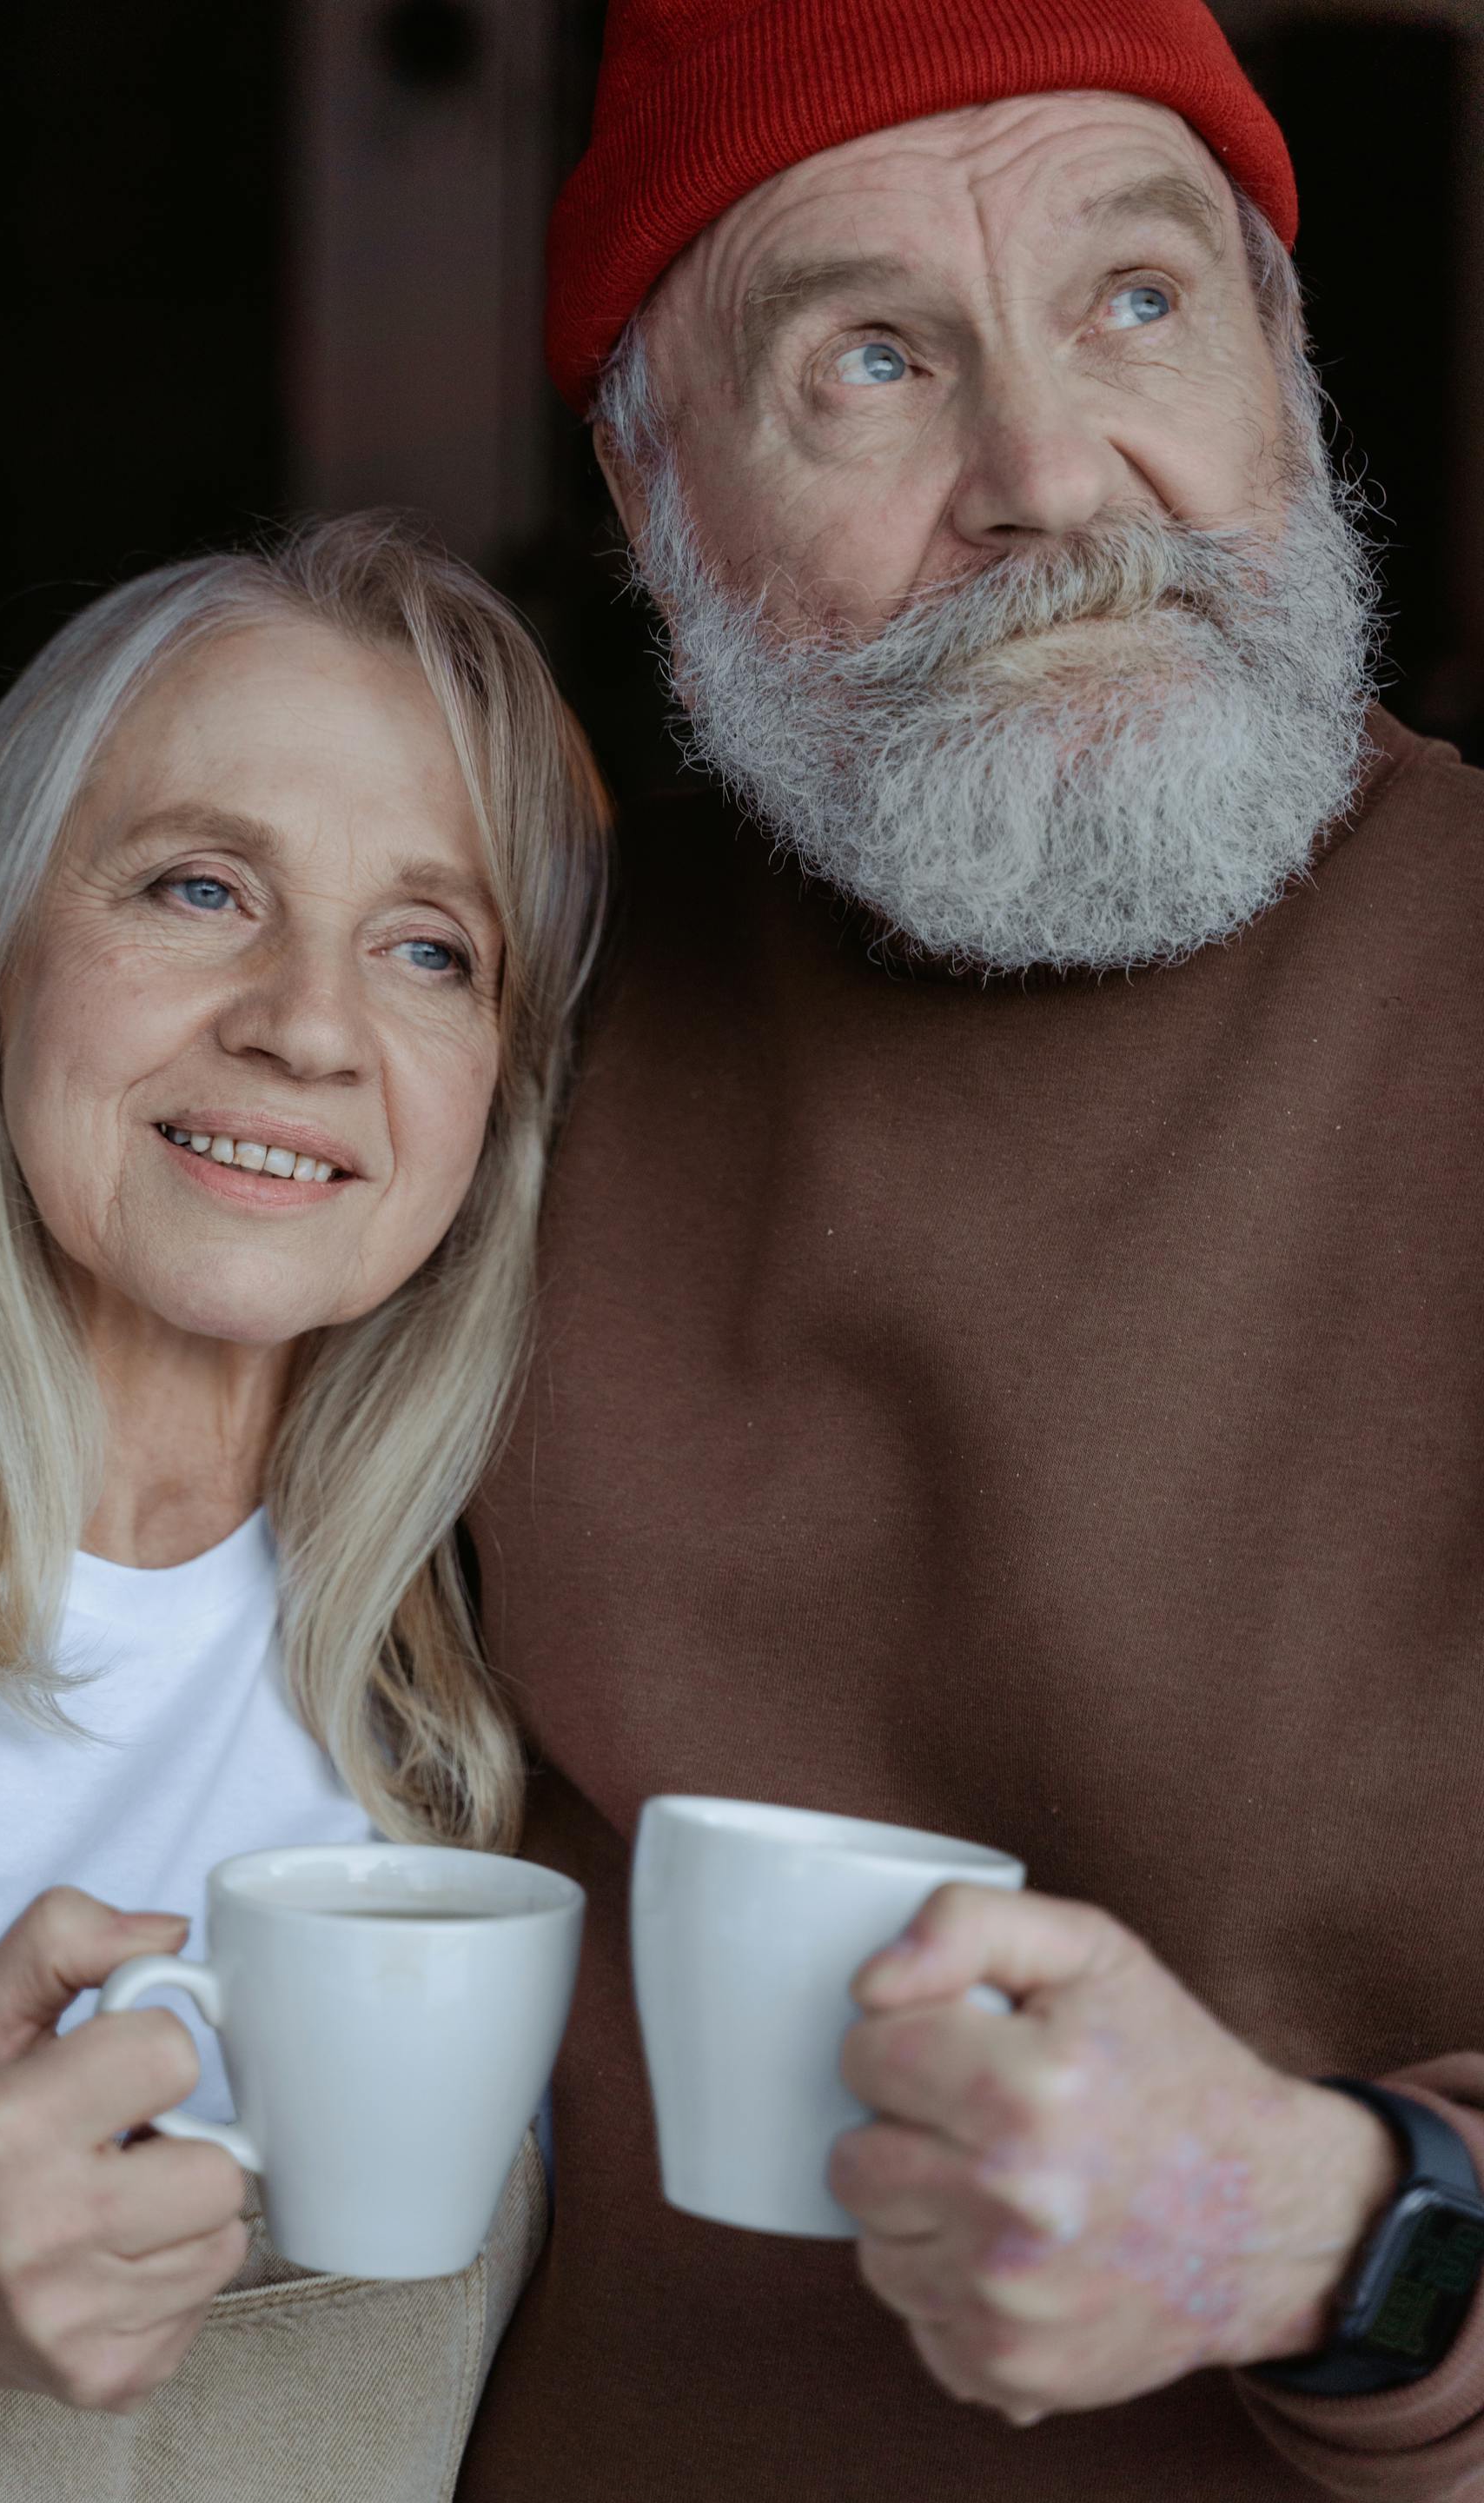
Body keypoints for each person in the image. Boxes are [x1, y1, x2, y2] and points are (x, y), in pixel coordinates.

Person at [455, 2, 1484, 2499]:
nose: (1049, 479)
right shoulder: (467, 1035)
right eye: (875, 358)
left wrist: (1349, 2244)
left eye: (1141, 307)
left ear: (1284, 364)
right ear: (653, 484)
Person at [0, 514, 608, 2499]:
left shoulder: (519, 1673)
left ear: (497, 1096)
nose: (311, 1024)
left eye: (433, 948)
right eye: (199, 887)